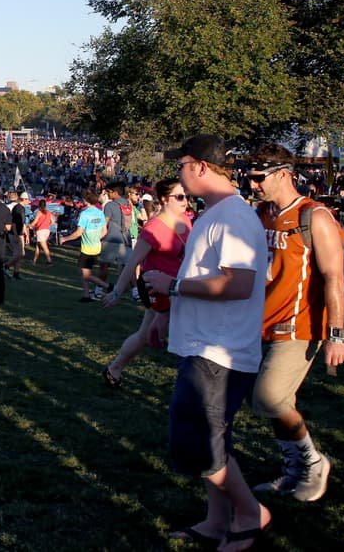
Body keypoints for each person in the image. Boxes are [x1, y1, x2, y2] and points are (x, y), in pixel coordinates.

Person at [142, 135, 270, 550]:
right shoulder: (217, 214)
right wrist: (167, 315)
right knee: (215, 443)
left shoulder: (232, 217)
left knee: (198, 443)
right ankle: (217, 522)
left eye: (181, 165)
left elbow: (238, 284)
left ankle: (250, 513)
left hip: (219, 351)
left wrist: (173, 286)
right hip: (205, 344)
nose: (177, 174)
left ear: (200, 166)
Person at [246, 143, 344, 502]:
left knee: (270, 398)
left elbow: (334, 277)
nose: (253, 184)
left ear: (284, 174)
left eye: (260, 177)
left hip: (298, 326)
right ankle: (294, 469)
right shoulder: (262, 213)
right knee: (274, 402)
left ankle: (312, 462)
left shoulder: (314, 216)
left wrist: (336, 336)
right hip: (262, 324)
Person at [101, 177, 192, 386]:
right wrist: (117, 293)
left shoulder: (186, 220)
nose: (185, 200)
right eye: (179, 197)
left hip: (180, 285)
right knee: (147, 334)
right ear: (164, 199)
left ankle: (114, 368)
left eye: (186, 196)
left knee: (148, 334)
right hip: (157, 288)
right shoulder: (154, 228)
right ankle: (115, 368)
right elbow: (132, 263)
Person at [60, 190, 110, 301]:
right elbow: (105, 231)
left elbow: (78, 233)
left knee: (86, 274)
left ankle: (109, 287)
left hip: (87, 249)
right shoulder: (100, 212)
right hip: (97, 247)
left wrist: (65, 238)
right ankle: (86, 295)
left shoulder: (85, 214)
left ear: (86, 201)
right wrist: (96, 238)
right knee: (86, 272)